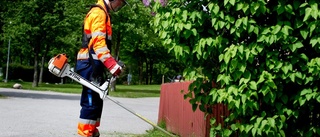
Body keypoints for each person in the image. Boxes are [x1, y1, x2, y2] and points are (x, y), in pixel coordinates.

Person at [75, 0, 127, 136]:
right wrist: (112, 66)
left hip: (94, 63)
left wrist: (112, 63)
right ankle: (85, 133)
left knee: (97, 101)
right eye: (119, 3)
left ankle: (92, 132)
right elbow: (99, 45)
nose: (118, 7)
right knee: (91, 102)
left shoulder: (103, 13)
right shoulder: (99, 13)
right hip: (89, 63)